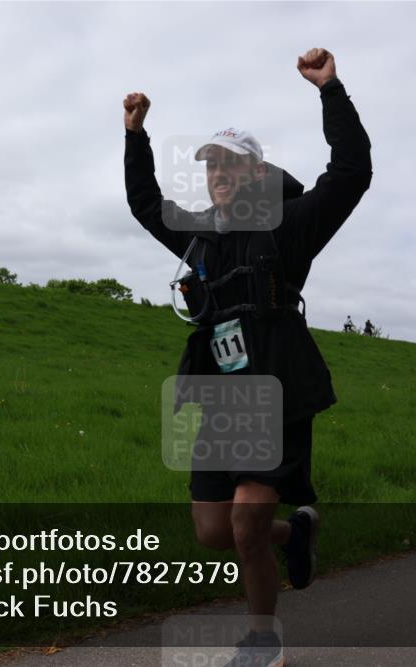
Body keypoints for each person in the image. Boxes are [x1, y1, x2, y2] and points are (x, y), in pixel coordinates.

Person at [123, 47, 372, 665]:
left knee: (243, 526)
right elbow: (145, 207)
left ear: (258, 173)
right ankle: (295, 533)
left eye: (232, 164)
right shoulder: (200, 236)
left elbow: (351, 174)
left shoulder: (290, 224)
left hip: (276, 392)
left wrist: (330, 90)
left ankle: (262, 640)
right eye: (211, 166)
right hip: (221, 398)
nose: (219, 174)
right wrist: (136, 137)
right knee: (215, 533)